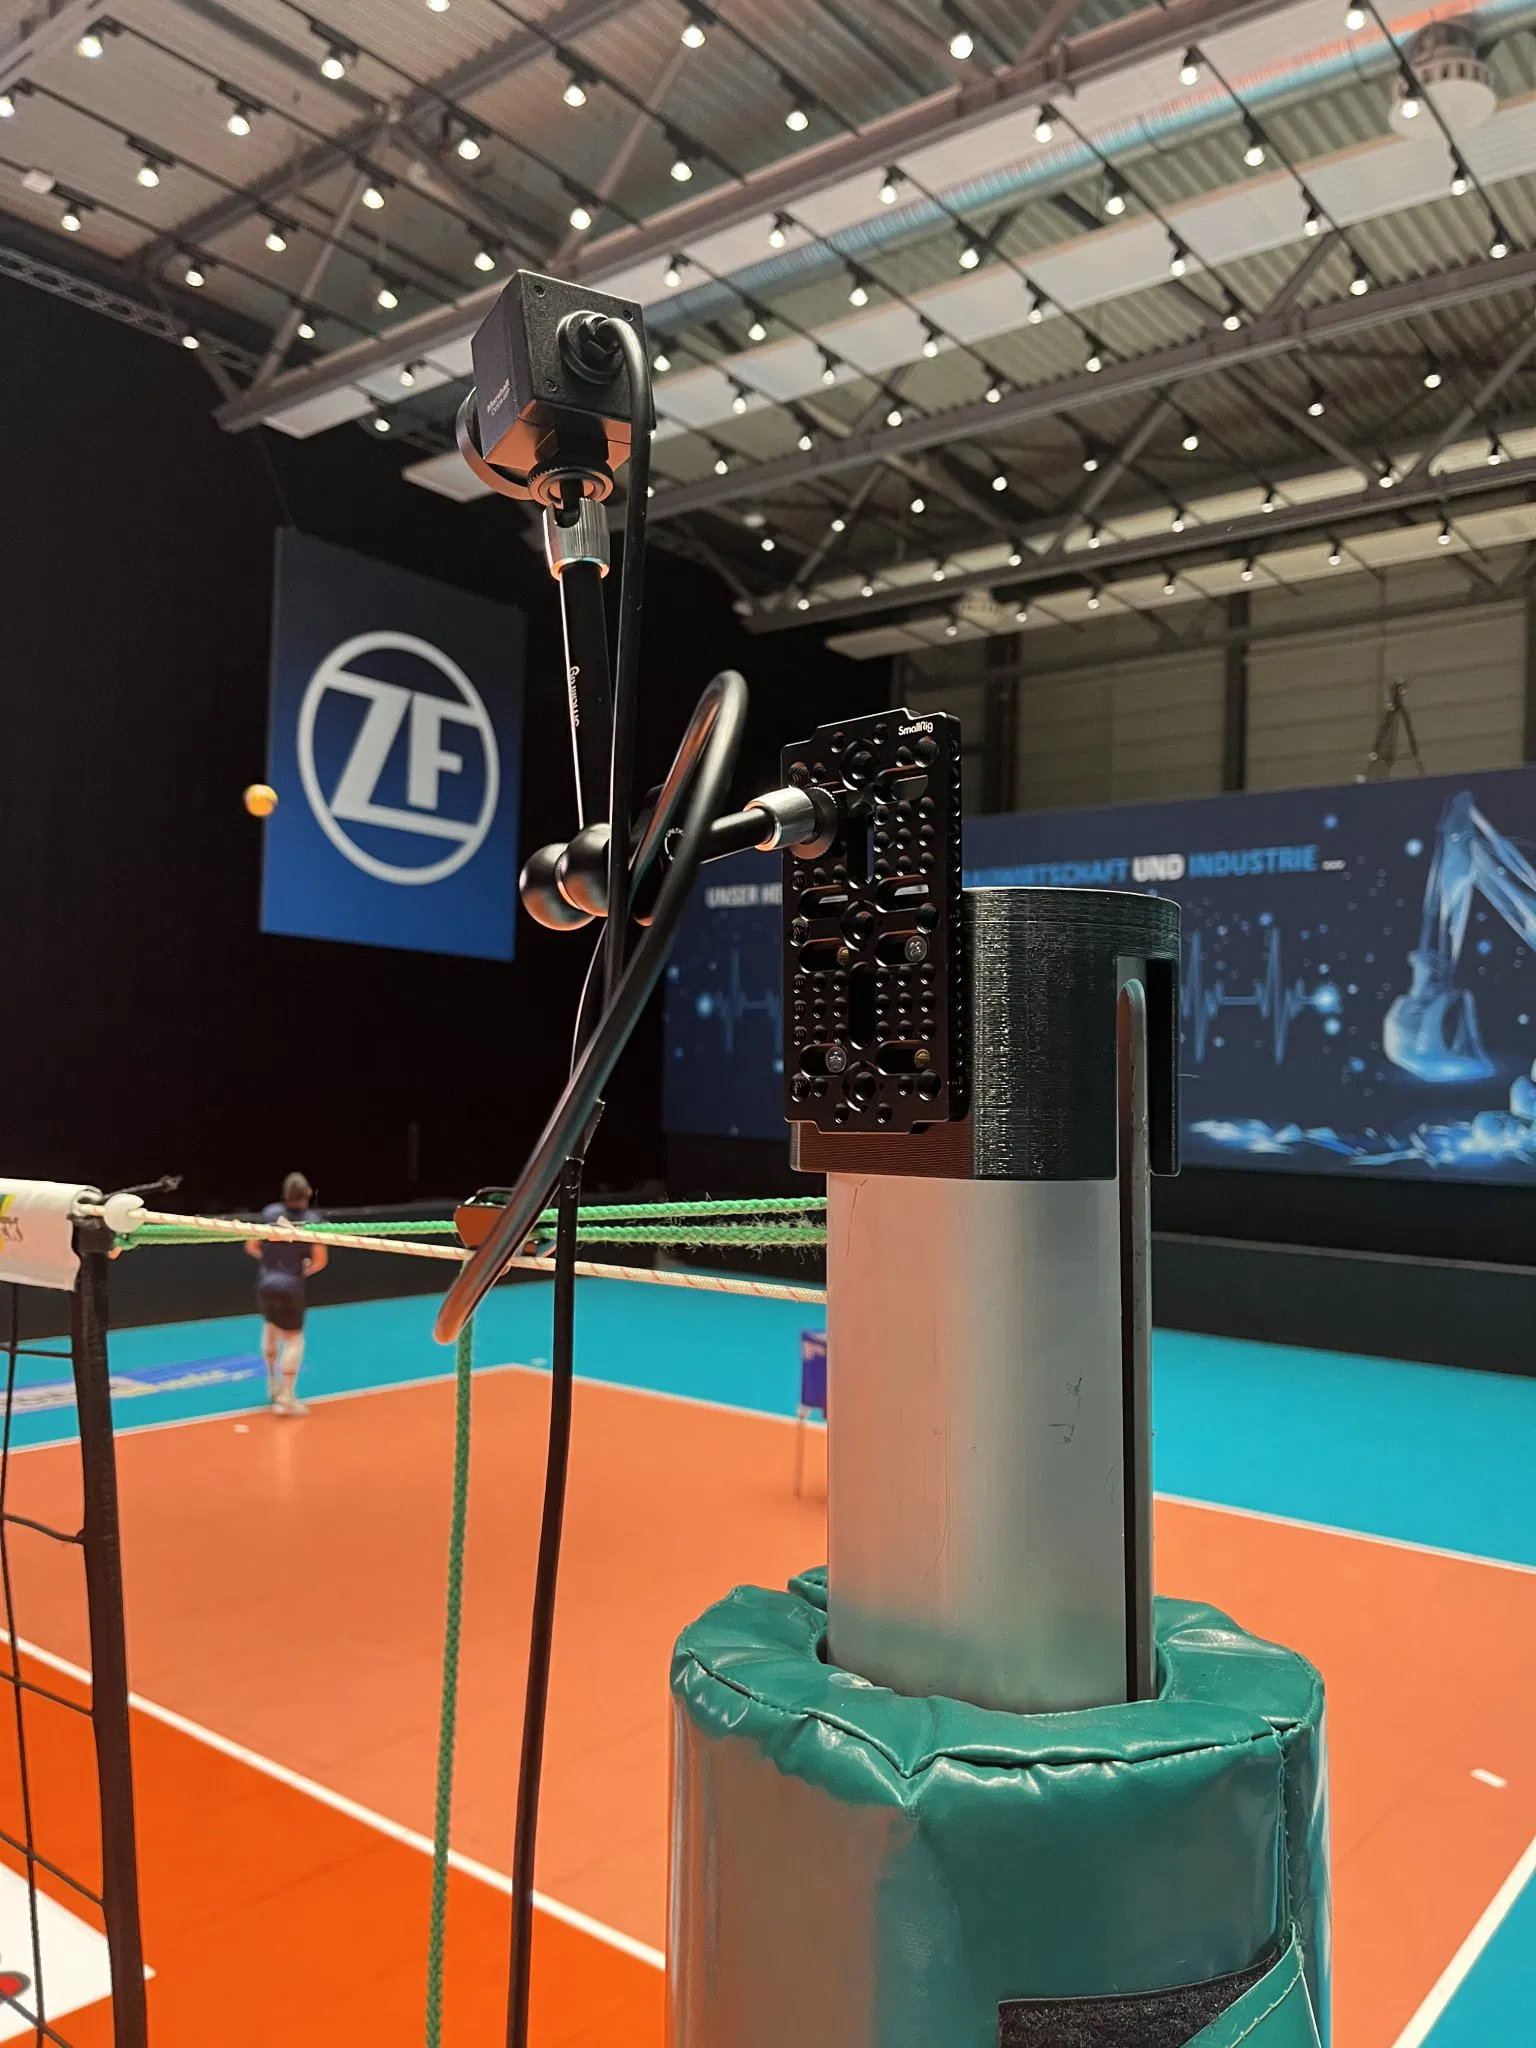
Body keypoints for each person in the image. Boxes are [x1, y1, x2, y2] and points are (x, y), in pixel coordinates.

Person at [245, 1172, 327, 1416]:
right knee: (293, 1339)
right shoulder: (313, 1221)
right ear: (308, 1193)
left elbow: (251, 1246)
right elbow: (320, 1261)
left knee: (271, 1326)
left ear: (285, 1194)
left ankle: (272, 1384)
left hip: (265, 1283)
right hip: (291, 1286)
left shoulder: (270, 1213)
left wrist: (271, 1263)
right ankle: (287, 1398)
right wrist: (301, 1269)